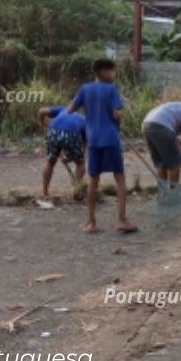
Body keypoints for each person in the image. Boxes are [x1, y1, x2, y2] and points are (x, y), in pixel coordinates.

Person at [70, 59, 137, 233]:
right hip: (110, 138)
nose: (114, 74)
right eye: (112, 71)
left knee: (93, 180)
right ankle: (122, 220)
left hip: (93, 140)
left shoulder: (85, 89)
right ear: (102, 71)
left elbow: (70, 109)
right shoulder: (111, 89)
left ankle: (91, 223)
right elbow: (117, 113)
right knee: (120, 178)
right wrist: (117, 116)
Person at [142, 94, 181, 188]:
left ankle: (163, 194)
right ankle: (173, 195)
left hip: (146, 124)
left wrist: (175, 139)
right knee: (176, 163)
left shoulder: (179, 106)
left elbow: (168, 122)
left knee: (162, 164)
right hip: (161, 127)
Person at [36, 103, 86, 199]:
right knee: (80, 162)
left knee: (50, 162)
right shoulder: (84, 121)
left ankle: (45, 193)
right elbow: (82, 149)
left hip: (53, 130)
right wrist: (69, 157)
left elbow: (41, 111)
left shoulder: (62, 109)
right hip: (71, 133)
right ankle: (77, 191)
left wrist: (43, 127)